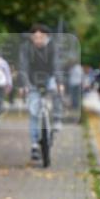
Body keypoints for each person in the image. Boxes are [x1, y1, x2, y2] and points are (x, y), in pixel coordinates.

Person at [19, 24, 63, 161]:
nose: (38, 40)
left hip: (49, 77)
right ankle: (34, 145)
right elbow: (23, 67)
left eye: (41, 37)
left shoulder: (53, 47)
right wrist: (24, 85)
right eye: (35, 37)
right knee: (34, 113)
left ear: (47, 37)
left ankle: (56, 119)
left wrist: (59, 82)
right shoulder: (26, 48)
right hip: (33, 80)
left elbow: (56, 65)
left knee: (56, 91)